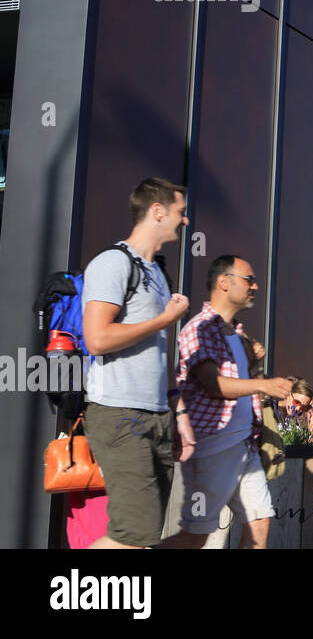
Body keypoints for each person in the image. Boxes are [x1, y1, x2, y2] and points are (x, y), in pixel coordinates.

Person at [81, 177, 193, 549]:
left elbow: (158, 361)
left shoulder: (158, 274)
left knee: (144, 535)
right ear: (157, 211)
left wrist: (178, 416)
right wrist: (164, 320)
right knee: (133, 534)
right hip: (118, 412)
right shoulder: (113, 263)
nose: (186, 221)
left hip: (156, 415)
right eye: (181, 212)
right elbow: (97, 339)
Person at [170, 255, 293, 548]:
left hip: (242, 446)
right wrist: (264, 384)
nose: (256, 286)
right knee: (195, 537)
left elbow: (237, 387)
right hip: (212, 448)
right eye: (249, 279)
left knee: (259, 525)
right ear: (224, 282)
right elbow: (213, 385)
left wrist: (254, 363)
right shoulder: (198, 329)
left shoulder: (237, 334)